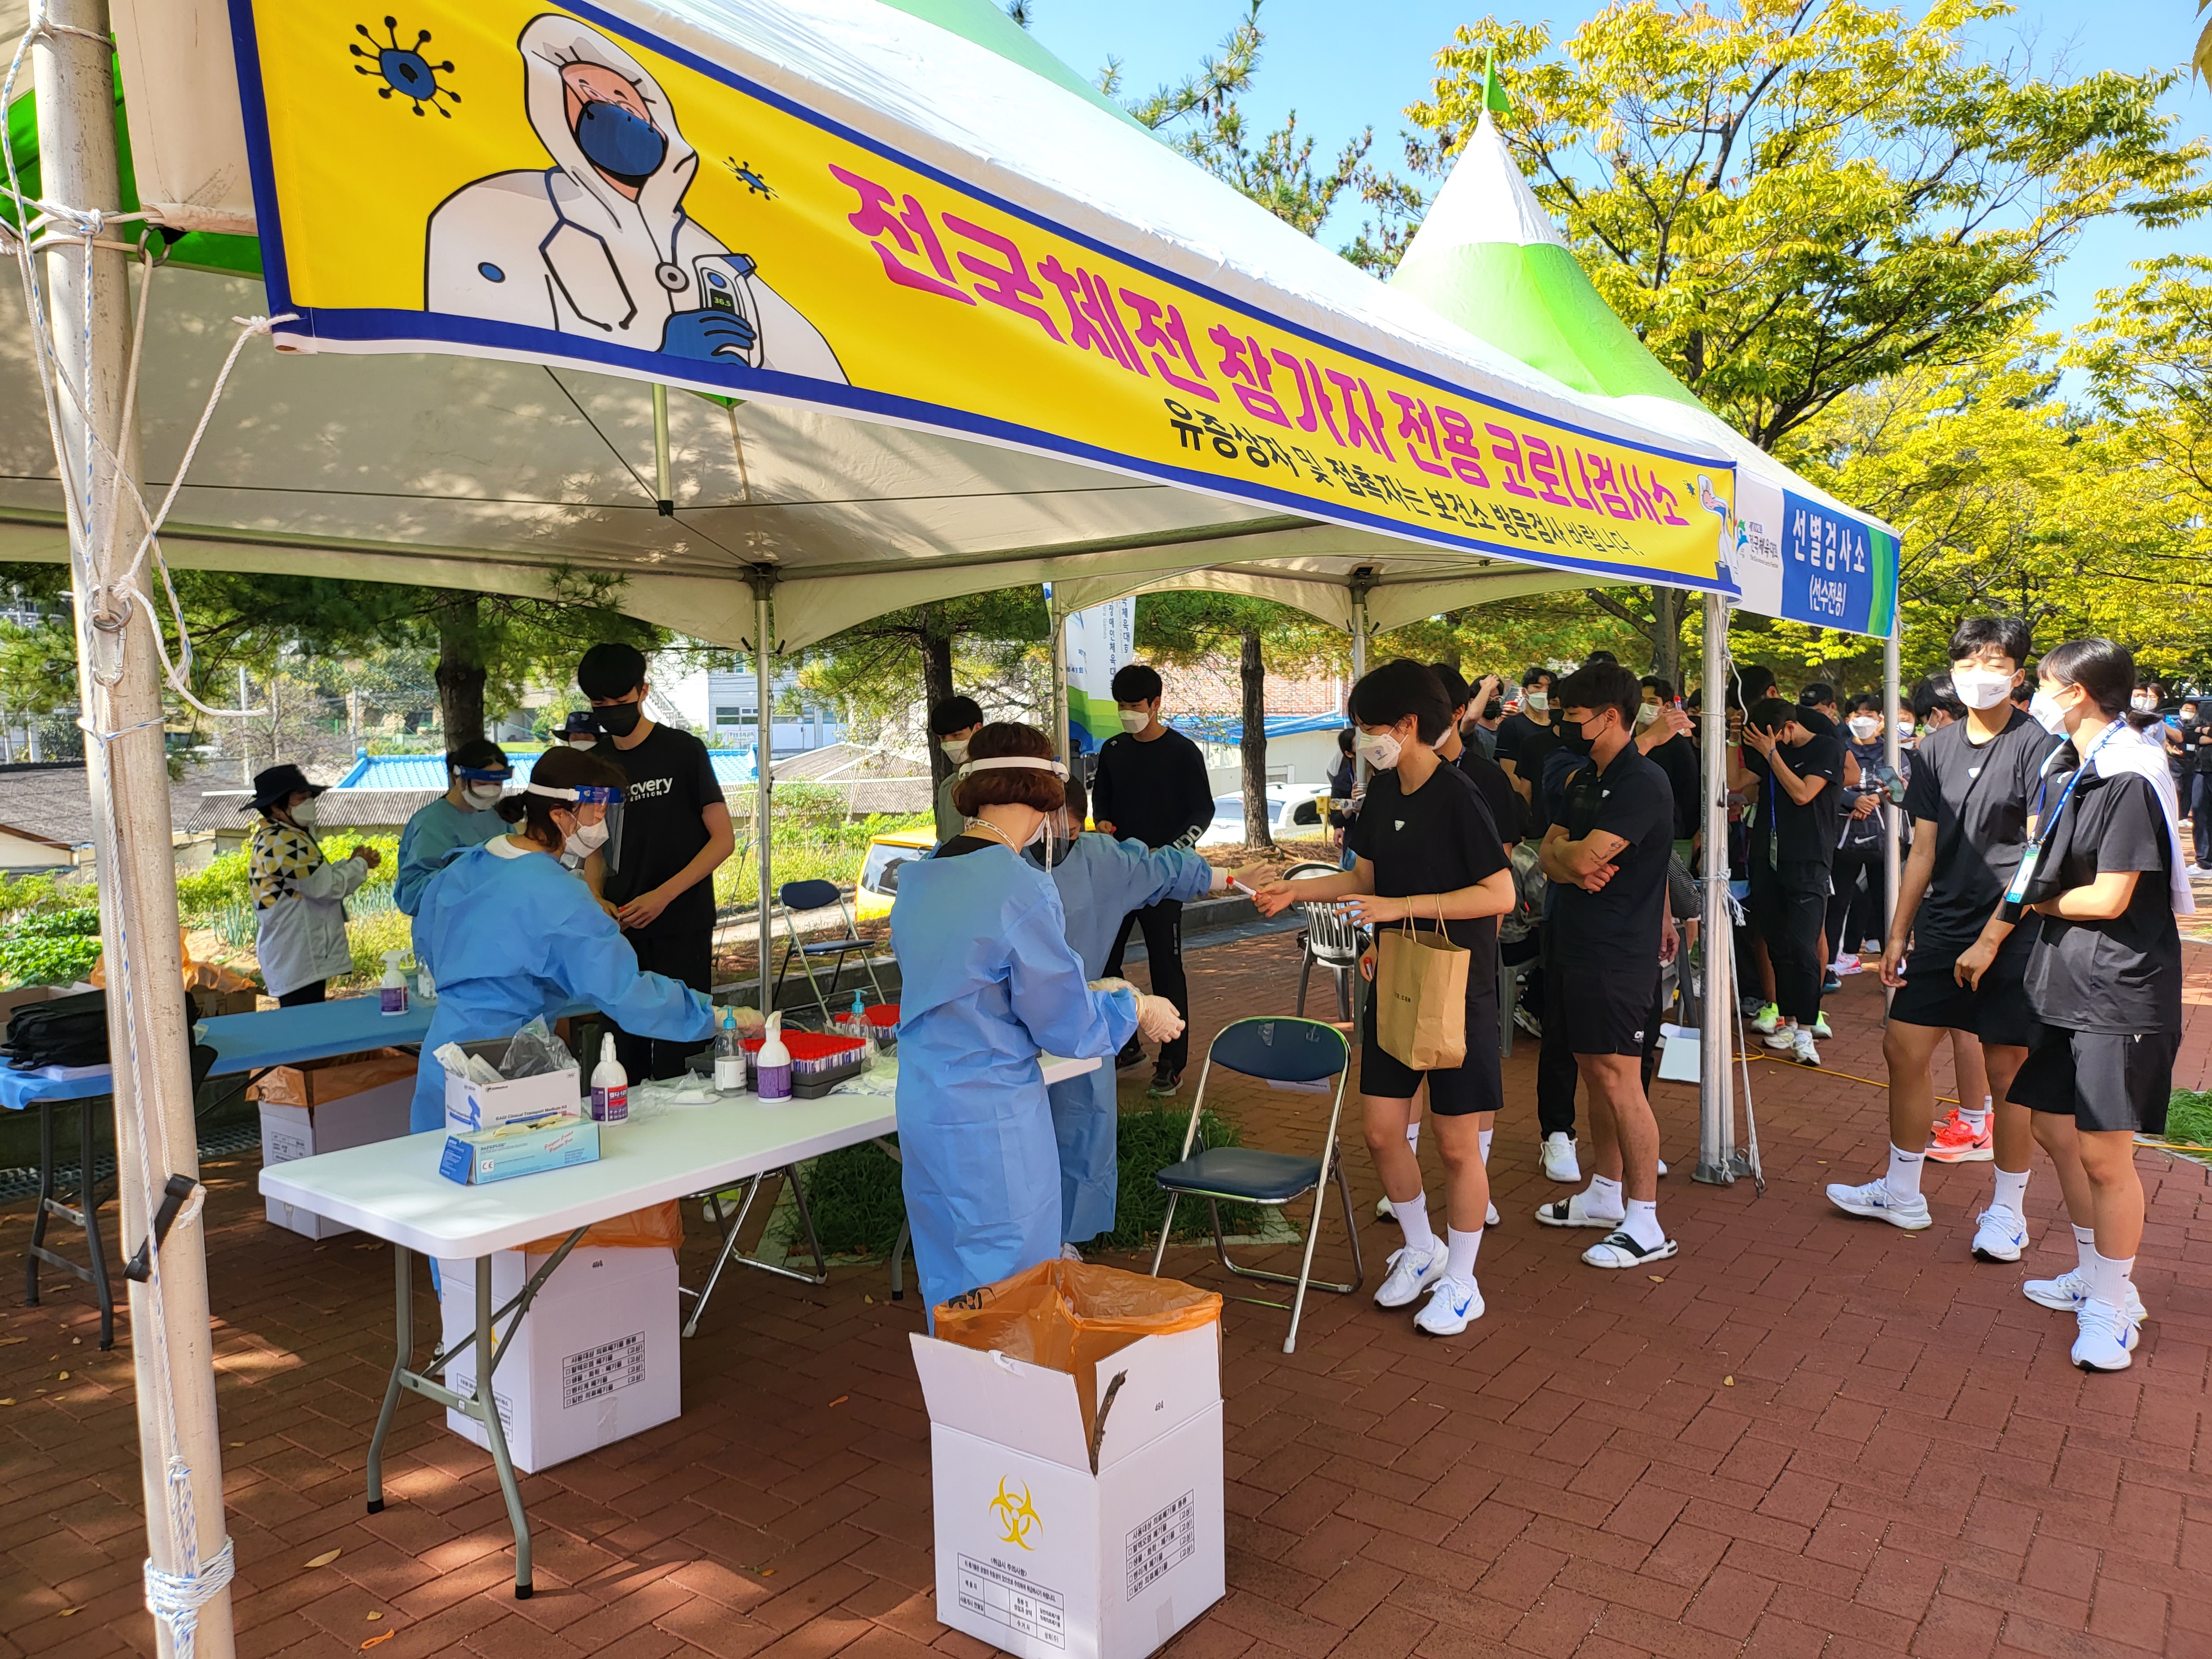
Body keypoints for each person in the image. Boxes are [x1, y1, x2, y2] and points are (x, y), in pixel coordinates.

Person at [1251, 661, 1514, 1337]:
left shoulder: (1459, 796)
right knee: (1380, 1132)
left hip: (1456, 988)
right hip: (1395, 981)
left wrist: (1402, 907)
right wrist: (1294, 889)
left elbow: (1499, 894)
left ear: (1406, 724)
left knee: (1457, 1145)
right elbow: (1361, 879)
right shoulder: (1383, 793)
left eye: (1369, 727)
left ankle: (1463, 1282)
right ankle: (1421, 1249)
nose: (1363, 739)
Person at [891, 724, 1182, 1317]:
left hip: (925, 1104)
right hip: (992, 1119)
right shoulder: (1018, 887)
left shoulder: (921, 877)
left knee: (952, 1286)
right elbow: (1065, 1024)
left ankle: (958, 1379)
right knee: (1012, 1294)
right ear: (1048, 792)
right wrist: (1136, 1005)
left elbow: (974, 984)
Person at [1827, 618, 2059, 1256]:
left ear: (2018, 674)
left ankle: (2007, 1211)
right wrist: (1896, 932)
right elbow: (1922, 850)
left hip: (2013, 932)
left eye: (1995, 662)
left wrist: (1993, 936)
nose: (1980, 674)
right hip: (1941, 926)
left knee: (2006, 1070)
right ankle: (1902, 1191)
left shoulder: (2040, 748)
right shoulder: (1933, 749)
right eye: (1969, 661)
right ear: (1953, 672)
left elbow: (2037, 856)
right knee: (1902, 1047)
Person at [2006, 639, 2192, 1369]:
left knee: (2105, 1154)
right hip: (2066, 981)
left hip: (2120, 991)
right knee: (2056, 1128)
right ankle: (2093, 1273)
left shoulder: (2129, 776)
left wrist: (2033, 900)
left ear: (2076, 692)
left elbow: (2111, 897)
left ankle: (2115, 1305)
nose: (2034, 697)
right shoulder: (2075, 768)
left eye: (2043, 684)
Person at [405, 748, 716, 1133]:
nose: (601, 827)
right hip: (505, 1067)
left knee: (438, 1162)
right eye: (596, 814)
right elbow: (626, 992)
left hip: (445, 1054)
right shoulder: (562, 897)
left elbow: (428, 940)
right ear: (559, 815)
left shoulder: (469, 863)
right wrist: (712, 1016)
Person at [1033, 773, 1265, 1251]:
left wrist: (1229, 878)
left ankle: (1067, 1242)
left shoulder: (1100, 861)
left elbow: (1162, 868)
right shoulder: (998, 865)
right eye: (1045, 833)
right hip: (1012, 1028)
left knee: (1080, 1129)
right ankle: (1023, 1243)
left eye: (1068, 833)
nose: (1055, 846)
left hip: (1081, 1020)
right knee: (1019, 1141)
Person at [1533, 663, 1682, 1268]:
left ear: (1610, 717)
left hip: (1619, 952)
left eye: (1573, 717)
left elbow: (1577, 856)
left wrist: (1569, 858)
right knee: (1593, 1070)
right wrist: (1570, 862)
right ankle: (1604, 1192)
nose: (1565, 726)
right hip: (1574, 942)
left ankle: (1645, 1221)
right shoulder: (1583, 779)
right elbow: (1547, 855)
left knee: (1620, 1077)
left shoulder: (1642, 782)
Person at [580, 643, 735, 1079]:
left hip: (681, 924)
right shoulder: (593, 765)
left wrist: (663, 896)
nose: (611, 712)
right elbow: (594, 848)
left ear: (643, 691)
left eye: (620, 701)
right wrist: (595, 898)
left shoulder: (683, 751)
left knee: (680, 1054)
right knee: (619, 1057)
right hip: (620, 930)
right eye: (599, 705)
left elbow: (723, 840)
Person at [1093, 664, 1215, 1097]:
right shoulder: (1113, 749)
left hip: (1165, 880)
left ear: (1156, 704)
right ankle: (1125, 1045)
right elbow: (1102, 799)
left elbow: (1202, 812)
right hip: (1119, 877)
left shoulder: (1183, 752)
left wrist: (1171, 853)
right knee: (1103, 961)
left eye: (1135, 705)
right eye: (1121, 706)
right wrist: (1103, 822)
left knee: (1166, 966)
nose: (1128, 713)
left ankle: (1171, 1062)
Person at [1734, 695, 1842, 1063]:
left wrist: (1771, 754)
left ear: (1789, 727)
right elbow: (1737, 782)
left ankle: (1807, 1027)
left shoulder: (1825, 749)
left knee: (1803, 946)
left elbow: (1802, 794)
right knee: (1777, 942)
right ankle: (1789, 1020)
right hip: (1767, 857)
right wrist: (1734, 740)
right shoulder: (1769, 752)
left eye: (1774, 738)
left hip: (1809, 858)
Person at [244, 763, 382, 1008]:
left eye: (309, 797)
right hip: (298, 957)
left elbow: (315, 877)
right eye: (301, 798)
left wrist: (350, 863)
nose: (309, 803)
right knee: (303, 1022)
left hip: (296, 956)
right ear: (276, 807)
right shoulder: (283, 841)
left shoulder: (281, 836)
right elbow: (325, 888)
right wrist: (360, 864)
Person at [393, 739, 513, 959]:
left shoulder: (497, 819)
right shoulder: (431, 823)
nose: (491, 791)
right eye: (482, 783)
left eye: (497, 784)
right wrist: (467, 871)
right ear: (458, 778)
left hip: (494, 935)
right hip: (448, 942)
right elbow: (411, 896)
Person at [1827, 693, 1895, 974]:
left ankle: (1893, 959)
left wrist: (1874, 799)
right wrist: (1852, 800)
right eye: (1858, 715)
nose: (1864, 721)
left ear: (1880, 720)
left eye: (1870, 715)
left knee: (1887, 901)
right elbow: (1828, 785)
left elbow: (1899, 790)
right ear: (1848, 720)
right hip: (1843, 840)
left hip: (1884, 841)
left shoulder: (1890, 751)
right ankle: (1831, 961)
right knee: (1837, 901)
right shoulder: (1838, 750)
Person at [1495, 666, 1559, 804]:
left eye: (1548, 688)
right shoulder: (1512, 726)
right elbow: (1509, 772)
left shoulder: (1559, 725)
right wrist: (1525, 803)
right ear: (1525, 692)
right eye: (1537, 687)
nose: (1544, 692)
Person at [929, 695, 985, 844]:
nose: (949, 743)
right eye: (943, 738)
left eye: (956, 735)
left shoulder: (999, 780)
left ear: (977, 729)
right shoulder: (947, 787)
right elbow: (943, 840)